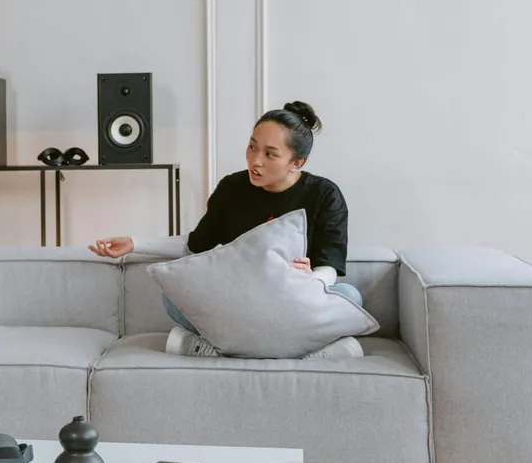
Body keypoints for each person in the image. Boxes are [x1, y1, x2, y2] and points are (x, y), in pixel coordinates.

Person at [89, 100, 364, 360]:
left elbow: (329, 265)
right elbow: (195, 245)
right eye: (252, 147)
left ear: (297, 163)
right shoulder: (232, 188)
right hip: (240, 302)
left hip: (291, 302)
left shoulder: (324, 194)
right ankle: (306, 355)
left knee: (350, 297)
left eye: (270, 154)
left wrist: (312, 280)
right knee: (173, 299)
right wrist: (134, 244)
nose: (255, 160)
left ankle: (217, 350)